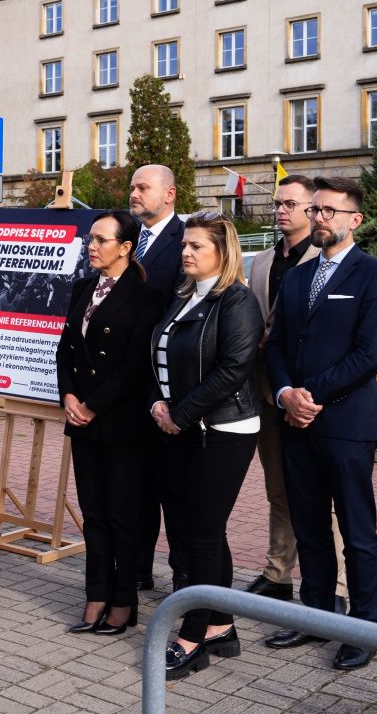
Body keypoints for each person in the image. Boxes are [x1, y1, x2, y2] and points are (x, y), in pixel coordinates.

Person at [263, 177, 377, 672]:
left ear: (353, 220)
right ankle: (316, 614)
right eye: (315, 210)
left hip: (345, 424)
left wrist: (310, 395)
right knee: (309, 526)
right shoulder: (298, 277)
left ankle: (362, 629)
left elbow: (370, 354)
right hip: (294, 422)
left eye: (327, 212)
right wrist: (284, 394)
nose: (318, 218)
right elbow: (275, 344)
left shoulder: (375, 275)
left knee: (357, 531)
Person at [148, 211, 264, 680]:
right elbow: (157, 357)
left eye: (197, 246)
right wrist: (158, 404)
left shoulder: (237, 300)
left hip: (224, 429)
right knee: (202, 530)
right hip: (181, 426)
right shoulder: (181, 297)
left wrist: (179, 412)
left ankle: (193, 635)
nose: (186, 252)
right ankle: (221, 623)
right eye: (184, 245)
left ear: (223, 251)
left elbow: (233, 368)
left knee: (201, 530)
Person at [56, 210, 162, 636]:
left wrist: (93, 404)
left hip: (120, 422)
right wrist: (68, 395)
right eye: (90, 239)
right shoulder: (83, 286)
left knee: (122, 515)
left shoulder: (145, 296)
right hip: (82, 418)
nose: (91, 246)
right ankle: (94, 595)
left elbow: (136, 364)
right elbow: (66, 348)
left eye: (101, 240)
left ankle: (123, 602)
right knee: (93, 514)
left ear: (125, 247)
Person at [245, 175, 348, 611]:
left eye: (292, 204)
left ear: (313, 210)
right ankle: (277, 572)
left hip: (313, 398)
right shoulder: (264, 261)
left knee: (324, 495)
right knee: (278, 490)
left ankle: (336, 587)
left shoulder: (325, 260)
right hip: (268, 392)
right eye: (278, 203)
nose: (281, 210)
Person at [128, 164, 188, 593]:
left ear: (169, 195)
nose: (133, 194)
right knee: (135, 486)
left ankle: (185, 576)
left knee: (175, 489)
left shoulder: (187, 242)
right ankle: (136, 568)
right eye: (132, 186)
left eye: (142, 187)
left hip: (167, 387)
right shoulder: (125, 239)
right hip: (124, 386)